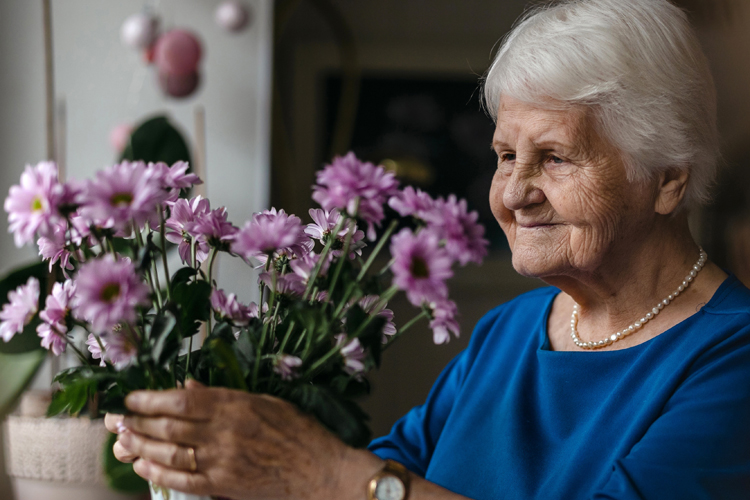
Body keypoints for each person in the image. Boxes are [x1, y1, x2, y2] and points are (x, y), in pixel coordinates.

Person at [105, 0, 750, 498]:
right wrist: (223, 459)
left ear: (668, 178)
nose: (515, 193)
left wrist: (325, 473)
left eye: (554, 158)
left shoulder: (732, 358)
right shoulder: (510, 331)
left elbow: (357, 485)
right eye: (504, 156)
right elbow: (390, 472)